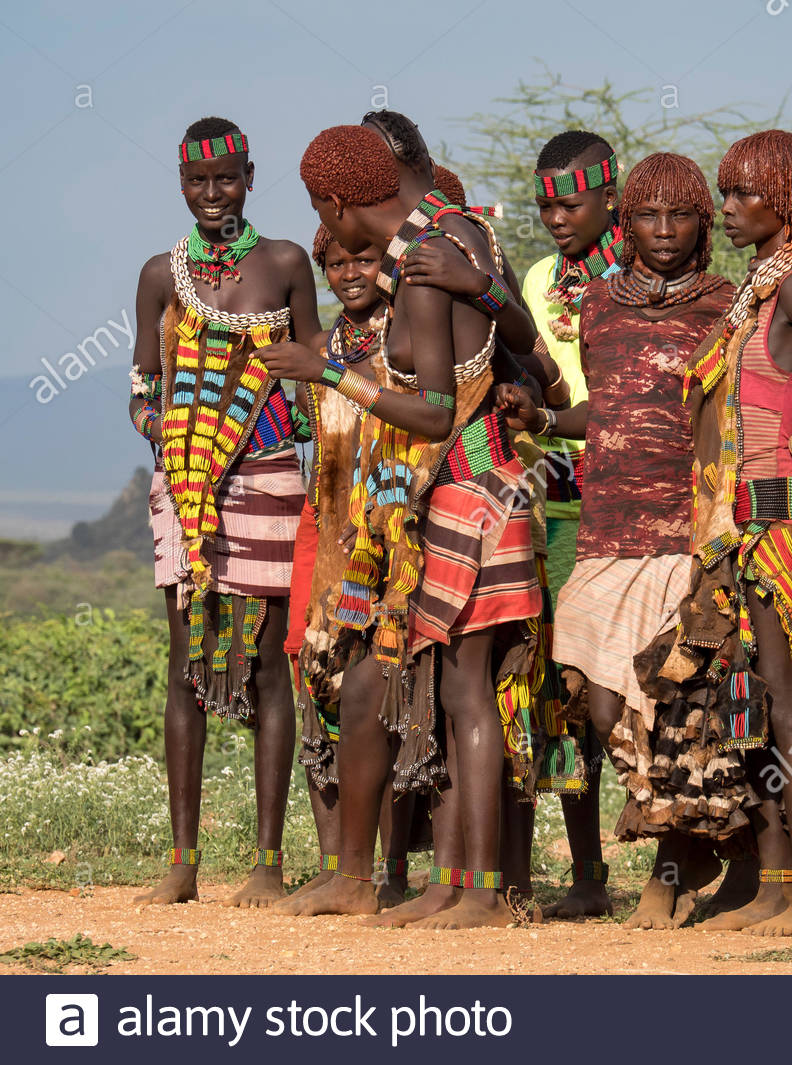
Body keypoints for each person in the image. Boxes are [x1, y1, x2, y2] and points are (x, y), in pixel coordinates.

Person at [264, 125, 540, 928]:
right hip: (475, 486)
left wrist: (327, 371)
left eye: (325, 214)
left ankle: (483, 890)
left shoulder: (421, 257)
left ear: (338, 202)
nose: (336, 239)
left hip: (467, 485)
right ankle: (457, 884)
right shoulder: (463, 228)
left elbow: (432, 411)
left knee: (466, 690)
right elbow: (515, 333)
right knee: (453, 689)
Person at [633, 130, 792, 938]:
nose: (726, 209)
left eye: (742, 195)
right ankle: (771, 883)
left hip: (776, 522)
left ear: (788, 201)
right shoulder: (758, 293)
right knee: (751, 707)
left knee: (790, 707)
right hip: (732, 528)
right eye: (726, 195)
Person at [497, 152, 736, 927]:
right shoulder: (589, 302)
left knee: (666, 699)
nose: (663, 232)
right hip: (593, 524)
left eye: (681, 216)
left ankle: (673, 868)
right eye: (650, 216)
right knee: (589, 703)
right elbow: (600, 410)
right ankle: (593, 868)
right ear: (628, 219)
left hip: (681, 528)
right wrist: (541, 420)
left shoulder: (725, 306)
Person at [129, 116, 320, 906]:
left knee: (270, 665)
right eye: (198, 183)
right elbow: (144, 385)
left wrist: (265, 424)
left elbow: (315, 372)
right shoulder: (157, 275)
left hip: (271, 479)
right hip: (183, 489)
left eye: (227, 179)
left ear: (249, 175)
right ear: (181, 184)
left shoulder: (283, 264)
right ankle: (183, 861)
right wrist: (175, 442)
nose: (213, 196)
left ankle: (269, 864)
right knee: (187, 667)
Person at [279, 227, 418, 908]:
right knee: (320, 683)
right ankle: (341, 866)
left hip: (396, 536)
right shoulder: (327, 345)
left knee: (387, 698)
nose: (347, 273)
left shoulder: (407, 333)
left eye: (362, 258)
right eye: (334, 263)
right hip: (330, 533)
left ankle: (389, 873)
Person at [520, 129, 624, 918]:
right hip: (556, 499)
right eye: (545, 203)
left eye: (572, 201)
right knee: (563, 686)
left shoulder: (645, 276)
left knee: (653, 682)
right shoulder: (536, 280)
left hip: (640, 498)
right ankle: (587, 869)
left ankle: (691, 861)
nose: (557, 216)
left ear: (609, 195)